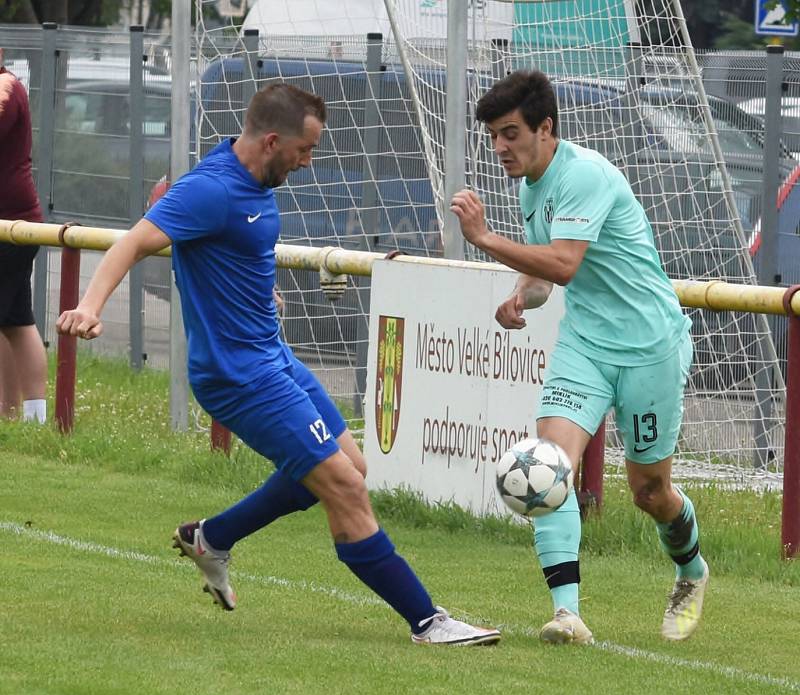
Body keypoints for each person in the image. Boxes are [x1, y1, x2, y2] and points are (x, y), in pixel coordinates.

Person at [57, 83, 500, 647]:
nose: (309, 162)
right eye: (305, 150)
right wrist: (89, 307)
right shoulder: (209, 191)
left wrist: (261, 292)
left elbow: (238, 250)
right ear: (272, 141)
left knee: (350, 469)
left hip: (274, 357)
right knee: (344, 487)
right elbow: (133, 243)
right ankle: (427, 620)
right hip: (238, 376)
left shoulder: (255, 178)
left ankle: (212, 536)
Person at [449, 70, 708, 645]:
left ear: (546, 128)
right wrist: (522, 295)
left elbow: (563, 263)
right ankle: (568, 614)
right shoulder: (529, 184)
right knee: (548, 467)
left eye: (510, 133)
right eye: (493, 135)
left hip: (649, 348)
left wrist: (485, 240)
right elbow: (548, 276)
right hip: (586, 344)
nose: (499, 147)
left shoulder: (585, 175)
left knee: (650, 493)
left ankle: (691, 570)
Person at [0, 47, 48, 423]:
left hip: (12, 225)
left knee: (14, 320)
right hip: (13, 224)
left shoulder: (6, 88)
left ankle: (24, 414)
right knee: (15, 320)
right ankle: (20, 415)